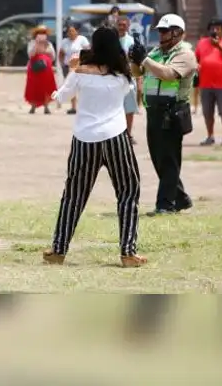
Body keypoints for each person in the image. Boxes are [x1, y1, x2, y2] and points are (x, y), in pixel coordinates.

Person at [43, 26, 144, 267]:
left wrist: (72, 68)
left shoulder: (80, 72)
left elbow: (63, 97)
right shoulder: (122, 75)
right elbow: (134, 82)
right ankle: (128, 251)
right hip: (116, 136)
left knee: (73, 195)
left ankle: (58, 250)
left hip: (84, 139)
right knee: (128, 191)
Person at [129, 13, 198, 215]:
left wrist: (145, 59)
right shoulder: (157, 51)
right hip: (154, 112)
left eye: (165, 31)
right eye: (159, 31)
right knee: (158, 158)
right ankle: (181, 198)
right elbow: (137, 73)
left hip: (173, 112)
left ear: (177, 33)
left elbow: (168, 74)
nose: (161, 34)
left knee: (169, 159)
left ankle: (165, 205)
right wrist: (135, 59)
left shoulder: (185, 54)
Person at [195, 17, 222, 146]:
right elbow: (196, 58)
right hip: (205, 84)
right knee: (207, 112)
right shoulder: (202, 43)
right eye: (212, 28)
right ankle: (210, 136)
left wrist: (219, 46)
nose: (215, 30)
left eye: (218, 28)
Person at [116, 16, 141, 143]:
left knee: (129, 109)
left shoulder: (131, 41)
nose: (121, 27)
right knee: (115, 110)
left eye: (124, 25)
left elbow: (137, 62)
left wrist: (139, 80)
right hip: (114, 79)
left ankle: (128, 135)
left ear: (128, 26)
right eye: (119, 24)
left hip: (129, 79)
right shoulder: (112, 41)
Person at [58, 24, 90, 115]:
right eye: (69, 31)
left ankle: (84, 107)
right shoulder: (64, 41)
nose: (71, 33)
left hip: (80, 66)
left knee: (83, 87)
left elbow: (88, 51)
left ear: (77, 31)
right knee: (71, 87)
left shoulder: (82, 39)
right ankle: (73, 107)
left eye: (72, 31)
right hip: (68, 67)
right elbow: (61, 53)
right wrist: (62, 64)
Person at [24, 25, 57, 115]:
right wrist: (36, 45)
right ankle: (33, 106)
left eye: (43, 33)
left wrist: (45, 50)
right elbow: (30, 54)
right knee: (34, 87)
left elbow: (53, 57)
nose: (42, 34)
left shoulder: (49, 44)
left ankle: (46, 107)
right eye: (40, 32)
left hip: (46, 69)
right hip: (34, 68)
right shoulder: (32, 43)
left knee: (46, 87)